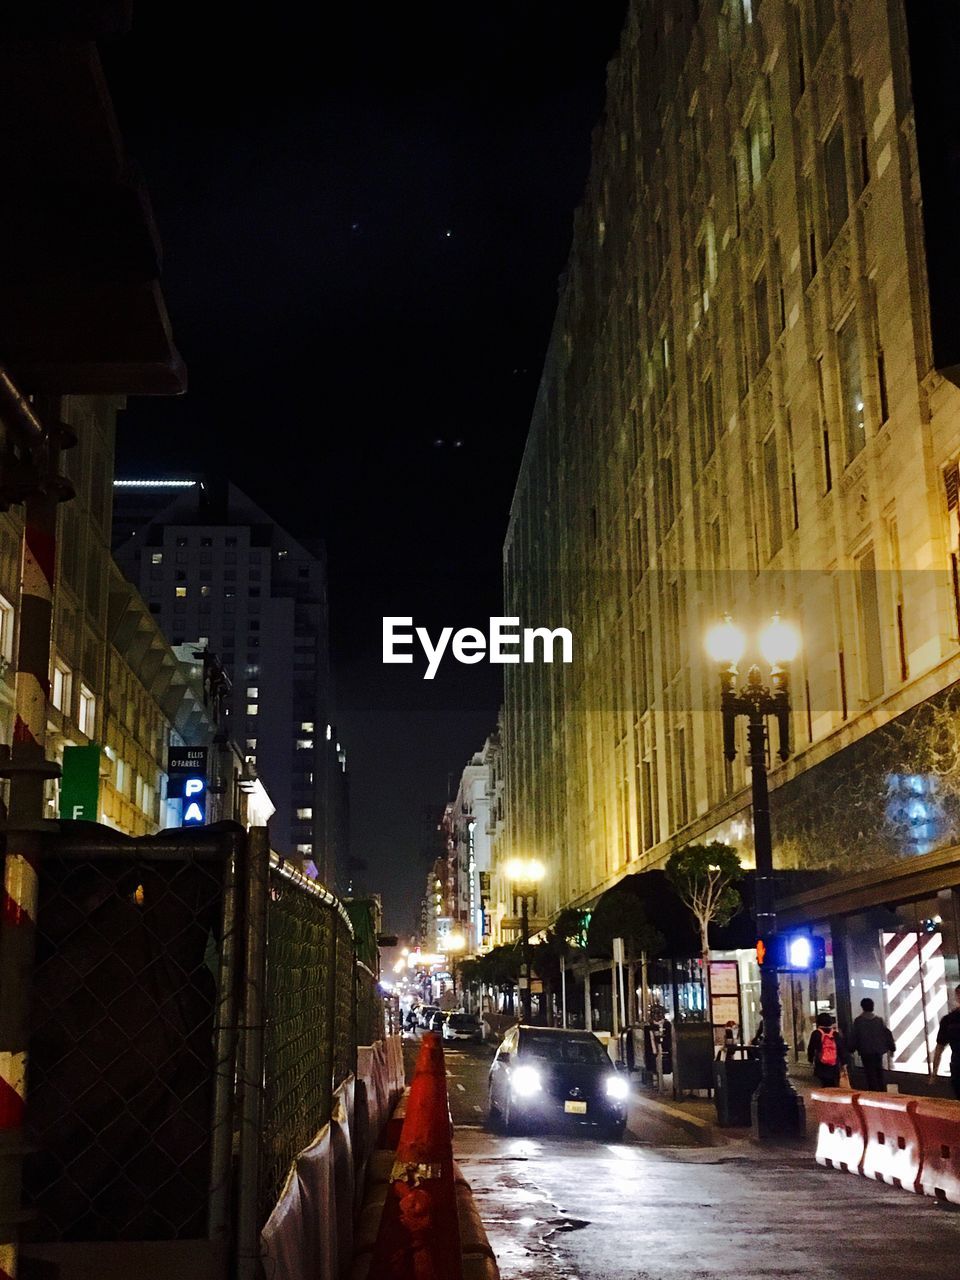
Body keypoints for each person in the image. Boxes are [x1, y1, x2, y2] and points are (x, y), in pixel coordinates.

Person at [850, 997, 896, 1091]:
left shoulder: (858, 1021)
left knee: (869, 1073)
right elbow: (887, 1034)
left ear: (862, 1007)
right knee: (879, 1071)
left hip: (865, 1051)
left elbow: (855, 1037)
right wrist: (892, 1048)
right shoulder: (879, 1020)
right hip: (878, 1051)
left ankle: (873, 1091)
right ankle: (881, 1090)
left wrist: (851, 1049)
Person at [932, 983, 960, 1098]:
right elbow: (939, 1047)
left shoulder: (949, 1020)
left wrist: (934, 1073)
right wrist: (934, 1072)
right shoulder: (949, 1020)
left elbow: (939, 1047)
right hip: (957, 1065)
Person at [807, 1011, 847, 1087]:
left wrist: (810, 1060)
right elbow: (841, 1049)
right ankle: (833, 1095)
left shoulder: (816, 1033)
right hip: (834, 1063)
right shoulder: (835, 1034)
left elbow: (811, 1048)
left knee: (824, 1083)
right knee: (833, 1083)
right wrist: (844, 1062)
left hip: (821, 1063)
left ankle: (827, 1095)